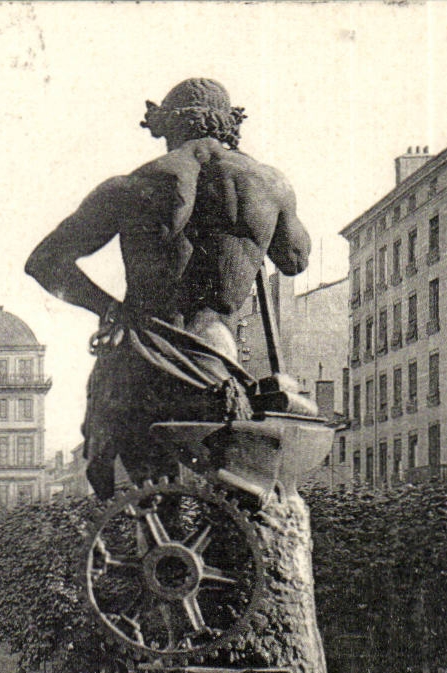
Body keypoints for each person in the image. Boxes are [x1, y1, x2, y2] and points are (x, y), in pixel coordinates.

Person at [25, 78, 313, 499]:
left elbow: (44, 263)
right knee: (235, 499)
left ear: (165, 126)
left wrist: (109, 309)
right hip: (217, 358)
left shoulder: (132, 185)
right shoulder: (269, 184)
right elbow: (295, 260)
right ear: (230, 126)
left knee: (142, 494)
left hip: (145, 354)